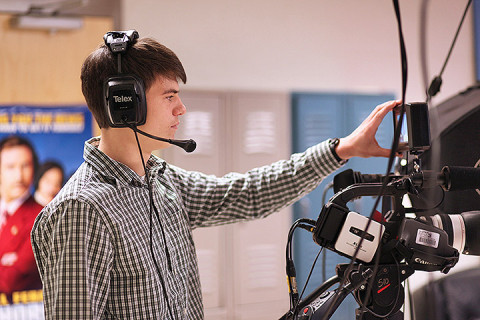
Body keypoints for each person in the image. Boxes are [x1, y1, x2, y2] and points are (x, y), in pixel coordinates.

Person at [30, 34, 401, 319]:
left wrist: (342, 150)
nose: (182, 107)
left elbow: (248, 194)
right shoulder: (82, 210)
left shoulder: (161, 181)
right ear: (127, 104)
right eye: (169, 95)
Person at [0, 136, 43, 301]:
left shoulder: (41, 217)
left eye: (25, 166)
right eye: (10, 167)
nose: (19, 176)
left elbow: (10, 281)